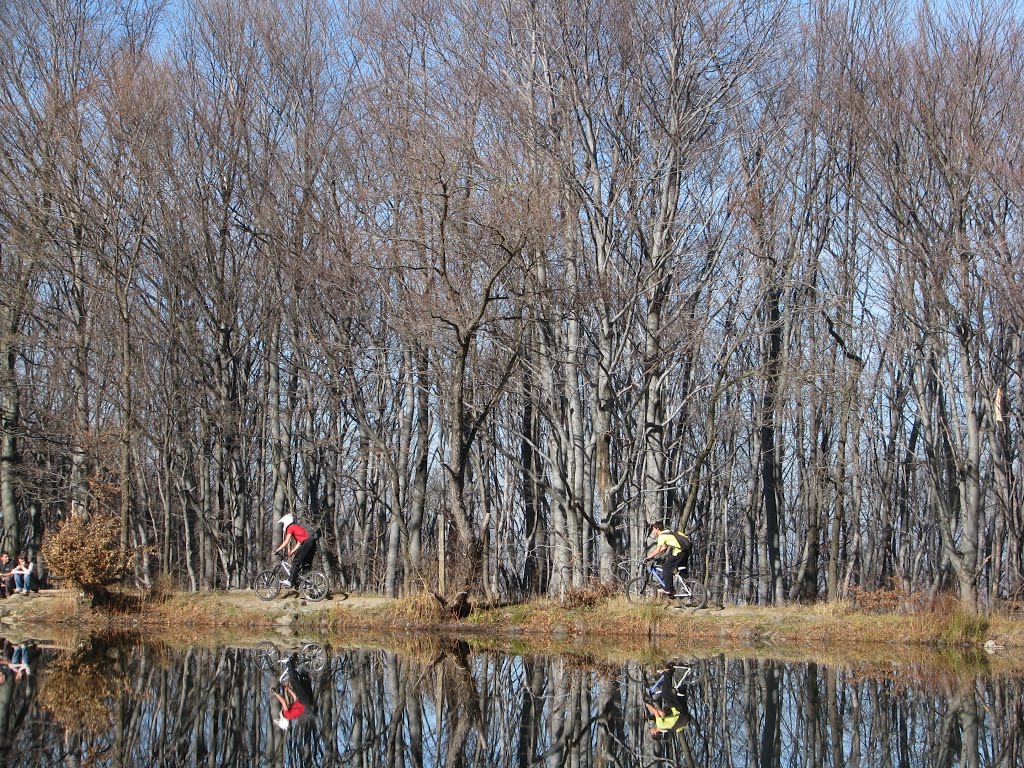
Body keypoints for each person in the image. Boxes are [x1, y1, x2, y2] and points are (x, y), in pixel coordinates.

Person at [645, 663, 693, 738]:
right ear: (655, 733)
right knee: (665, 693)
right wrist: (648, 705)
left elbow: (662, 714)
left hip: (684, 712)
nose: (650, 730)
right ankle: (668, 673)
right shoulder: (660, 725)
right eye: (651, 732)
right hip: (678, 710)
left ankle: (686, 670)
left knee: (680, 690)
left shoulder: (667, 728)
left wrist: (656, 707)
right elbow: (656, 712)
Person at [646, 522, 692, 596]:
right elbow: (664, 547)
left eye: (653, 529)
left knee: (666, 568)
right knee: (677, 571)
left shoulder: (661, 536)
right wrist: (655, 556)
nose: (653, 531)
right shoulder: (668, 532)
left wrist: (649, 557)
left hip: (679, 552)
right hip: (685, 552)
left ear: (657, 529)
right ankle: (681, 587)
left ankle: (668, 589)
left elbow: (657, 550)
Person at [272, 654, 315, 731]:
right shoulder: (286, 714)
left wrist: (289, 690)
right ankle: (289, 662)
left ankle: (306, 658)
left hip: (306, 701)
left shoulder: (291, 716)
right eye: (279, 718)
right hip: (303, 700)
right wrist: (275, 693)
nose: (279, 715)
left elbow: (295, 697)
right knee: (294, 681)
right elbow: (283, 702)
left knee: (302, 678)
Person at [273, 514, 318, 589]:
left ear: (287, 522)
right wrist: (292, 551)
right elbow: (299, 542)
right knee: (306, 563)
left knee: (296, 562)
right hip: (312, 543)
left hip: (306, 543)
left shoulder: (290, 527)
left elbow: (286, 541)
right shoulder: (297, 527)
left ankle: (290, 581)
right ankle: (307, 582)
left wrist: (277, 550)